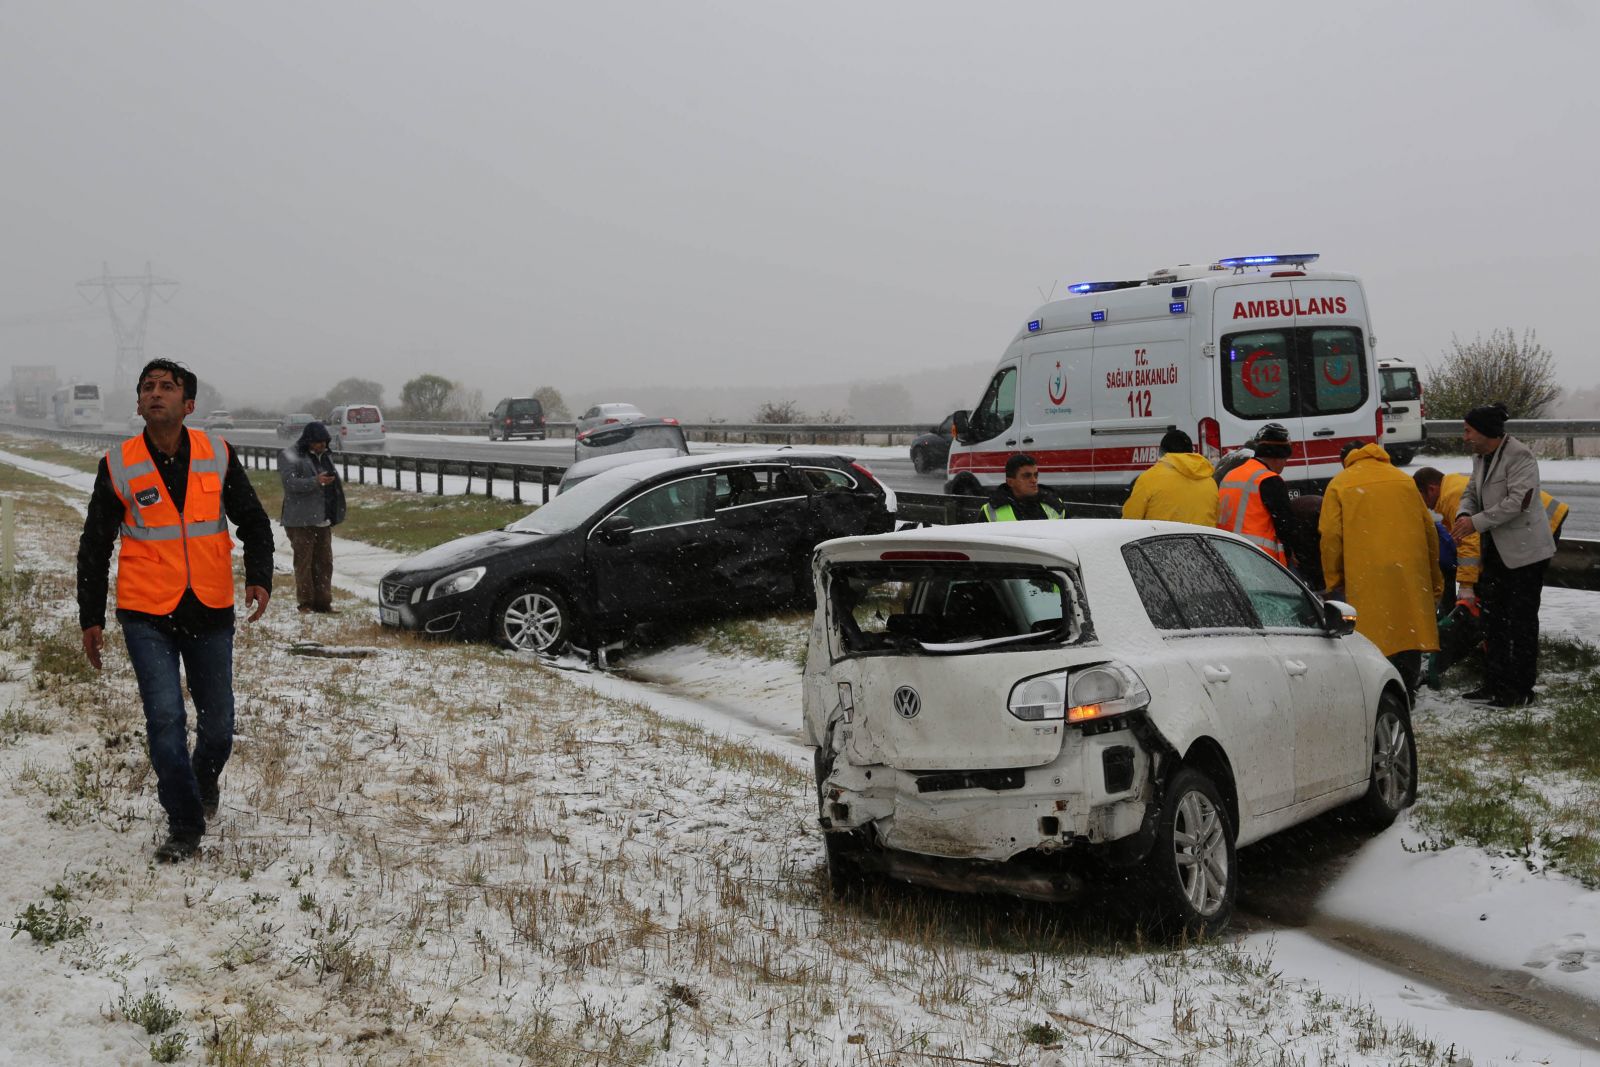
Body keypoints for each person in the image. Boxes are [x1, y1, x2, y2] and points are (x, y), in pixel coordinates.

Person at [76, 359, 274, 862]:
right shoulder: (118, 463)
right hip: (146, 612)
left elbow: (253, 519)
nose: (156, 393)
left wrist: (259, 576)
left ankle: (202, 780)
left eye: (168, 387)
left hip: (209, 607)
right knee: (165, 717)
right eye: (148, 387)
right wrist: (91, 617)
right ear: (139, 403)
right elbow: (95, 545)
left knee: (218, 727)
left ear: (189, 405)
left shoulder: (217, 453)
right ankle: (184, 823)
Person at [1451, 403, 1556, 707]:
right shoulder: (1480, 456)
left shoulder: (1520, 455)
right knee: (1493, 620)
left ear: (1486, 432)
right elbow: (1472, 490)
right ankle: (1494, 682)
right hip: (1495, 552)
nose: (1464, 436)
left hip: (1526, 554)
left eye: (1468, 430)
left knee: (1521, 623)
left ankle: (1521, 689)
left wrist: (1475, 523)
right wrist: (1463, 513)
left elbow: (1517, 503)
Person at [1320, 443, 1441, 693]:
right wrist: (1432, 574)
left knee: (1374, 634)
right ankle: (1409, 686)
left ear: (1348, 461)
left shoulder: (1341, 483)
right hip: (1409, 569)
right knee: (1408, 630)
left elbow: (1330, 536)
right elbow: (1430, 530)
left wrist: (1334, 579)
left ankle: (1382, 690)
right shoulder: (1403, 479)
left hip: (1366, 571)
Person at [1216, 423, 1313, 568]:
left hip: (1228, 553)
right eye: (1286, 459)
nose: (1285, 464)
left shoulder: (1232, 474)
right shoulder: (1269, 479)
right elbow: (1285, 524)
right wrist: (1297, 552)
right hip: (1259, 559)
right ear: (1277, 457)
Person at [278, 420, 347, 613]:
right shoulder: (289, 455)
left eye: (324, 441)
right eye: (318, 442)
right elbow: (290, 484)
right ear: (308, 441)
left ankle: (324, 603)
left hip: (323, 519)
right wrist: (316, 481)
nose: (322, 445)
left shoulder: (325, 456)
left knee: (325, 563)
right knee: (304, 563)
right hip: (300, 521)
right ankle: (305, 603)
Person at [1121, 429, 1219, 526]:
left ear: (1161, 452)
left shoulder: (1149, 478)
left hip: (1163, 540)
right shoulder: (1210, 481)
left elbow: (1130, 521)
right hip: (1202, 540)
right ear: (1190, 451)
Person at [981, 454, 1068, 521]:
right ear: (1010, 482)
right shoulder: (991, 510)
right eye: (1027, 476)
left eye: (1035, 475)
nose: (1034, 480)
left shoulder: (1054, 503)